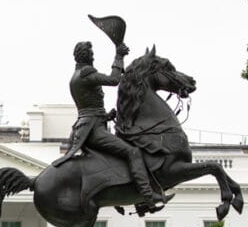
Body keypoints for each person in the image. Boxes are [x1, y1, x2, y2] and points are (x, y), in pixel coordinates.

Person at [53, 40, 168, 213]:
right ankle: (147, 196)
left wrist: (106, 116)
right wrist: (119, 56)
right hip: (93, 131)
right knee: (133, 152)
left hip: (88, 127)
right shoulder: (85, 74)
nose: (93, 57)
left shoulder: (75, 76)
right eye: (92, 55)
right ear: (88, 56)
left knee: (118, 156)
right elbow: (114, 80)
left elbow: (88, 109)